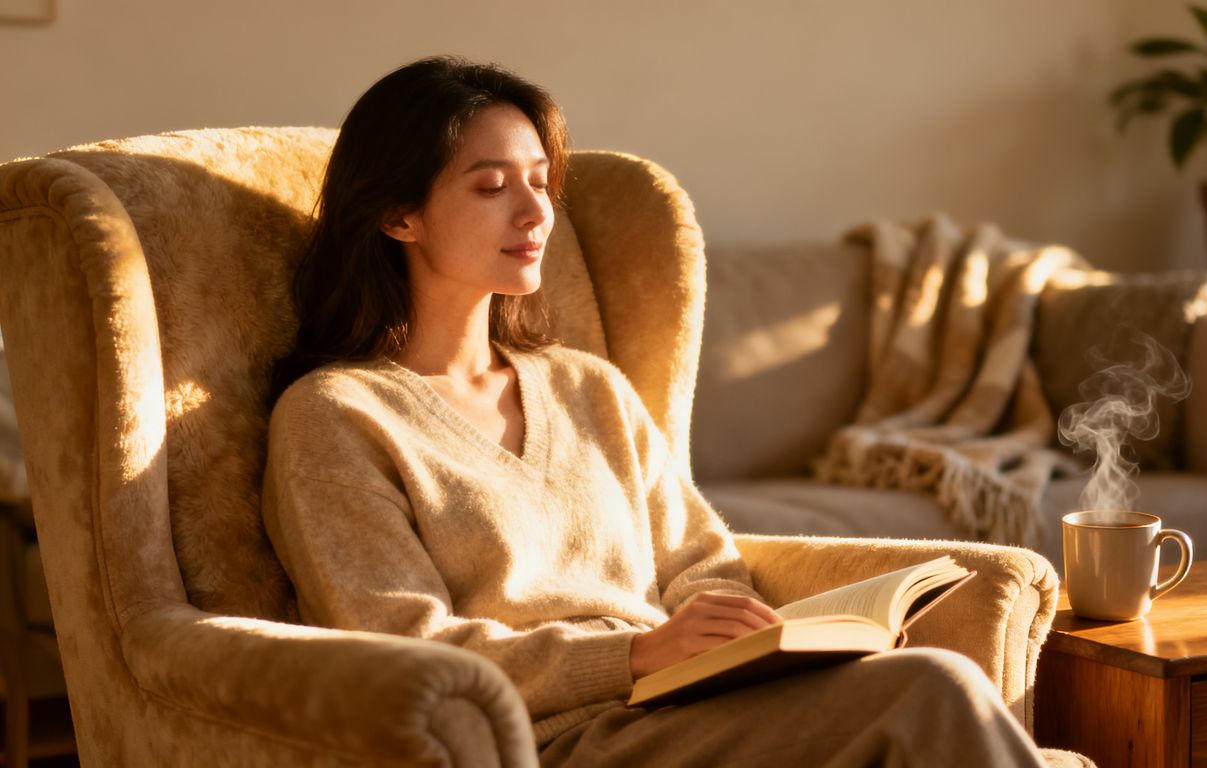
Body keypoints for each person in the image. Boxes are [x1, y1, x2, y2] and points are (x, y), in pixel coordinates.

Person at [262, 55, 1050, 767]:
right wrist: (634, 657)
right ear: (399, 216)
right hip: (553, 739)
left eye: (542, 180)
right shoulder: (335, 417)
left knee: (914, 682)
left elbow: (699, 561)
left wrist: (760, 636)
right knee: (931, 691)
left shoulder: (587, 387)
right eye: (492, 186)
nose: (536, 214)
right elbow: (399, 649)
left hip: (688, 704)